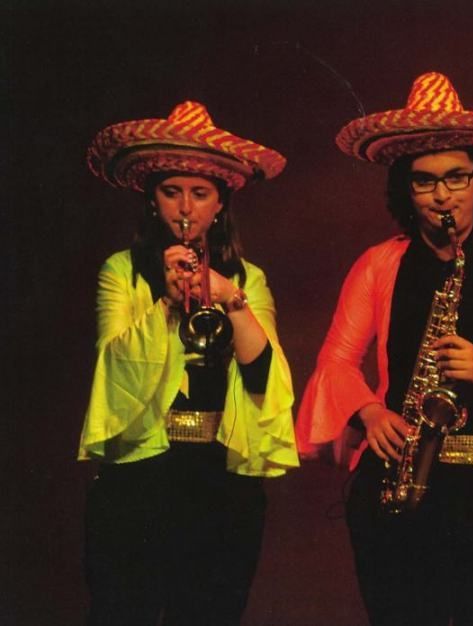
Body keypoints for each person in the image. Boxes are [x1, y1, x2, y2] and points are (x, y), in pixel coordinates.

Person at [295, 72, 473, 626]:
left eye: (457, 178)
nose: (443, 195)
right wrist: (369, 411)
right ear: (406, 188)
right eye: (425, 182)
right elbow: (334, 360)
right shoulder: (378, 264)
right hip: (396, 481)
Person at [79, 101, 299, 626]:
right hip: (139, 478)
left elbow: (265, 374)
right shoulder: (122, 271)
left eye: (200, 194)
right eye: (171, 191)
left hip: (221, 482)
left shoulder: (248, 279)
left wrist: (227, 296)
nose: (185, 207)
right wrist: (166, 306)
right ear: (152, 201)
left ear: (220, 204)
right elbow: (112, 367)